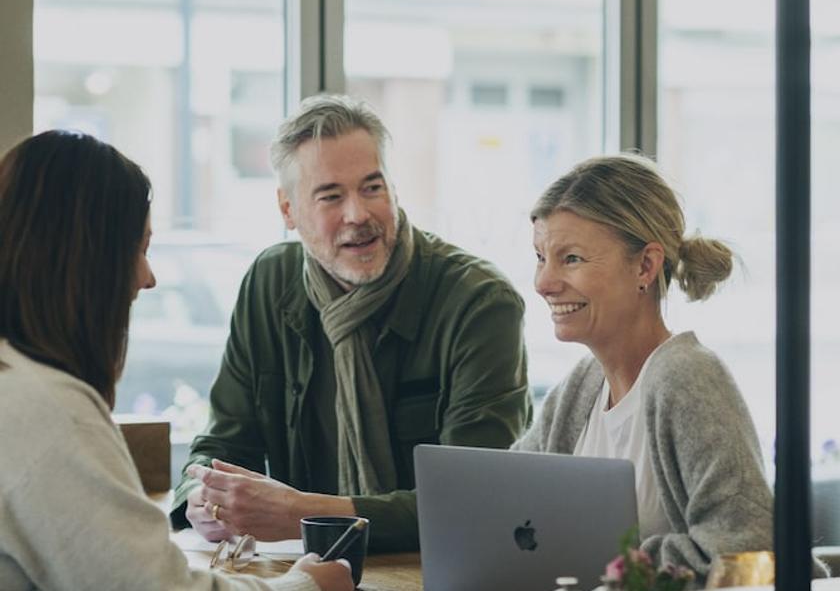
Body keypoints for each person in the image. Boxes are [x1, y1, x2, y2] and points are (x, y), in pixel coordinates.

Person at [172, 94, 531, 552]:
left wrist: (303, 514)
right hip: (305, 572)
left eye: (372, 187)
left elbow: (473, 499)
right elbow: (224, 444)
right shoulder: (269, 282)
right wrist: (204, 497)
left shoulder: (478, 302)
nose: (358, 215)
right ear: (288, 210)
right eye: (331, 196)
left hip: (440, 572)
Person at [0, 130, 353, 591]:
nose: (148, 279)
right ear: (89, 259)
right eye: (140, 249)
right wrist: (309, 585)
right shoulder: (46, 414)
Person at [512, 154, 773, 581]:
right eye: (541, 257)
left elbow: (749, 548)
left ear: (645, 266)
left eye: (571, 258)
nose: (543, 282)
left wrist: (617, 562)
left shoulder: (688, 380)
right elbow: (506, 505)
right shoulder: (580, 389)